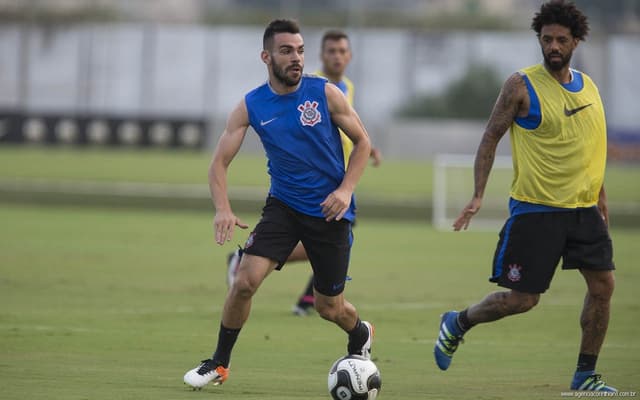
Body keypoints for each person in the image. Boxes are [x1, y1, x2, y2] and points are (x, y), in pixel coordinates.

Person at [433, 0, 617, 392]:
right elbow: (490, 137)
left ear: (576, 42)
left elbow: (590, 146)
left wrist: (600, 195)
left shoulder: (590, 88)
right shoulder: (521, 85)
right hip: (537, 212)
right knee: (522, 300)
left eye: (560, 40)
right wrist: (478, 194)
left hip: (583, 211)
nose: (553, 46)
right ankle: (458, 322)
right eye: (546, 39)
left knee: (603, 287)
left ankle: (585, 376)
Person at [184, 19, 374, 389]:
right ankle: (219, 364)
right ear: (266, 56)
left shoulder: (327, 93)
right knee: (243, 282)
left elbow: (363, 143)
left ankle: (361, 332)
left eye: (301, 50)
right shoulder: (251, 105)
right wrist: (222, 208)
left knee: (328, 308)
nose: (296, 58)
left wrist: (346, 190)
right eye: (287, 51)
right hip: (283, 207)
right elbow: (218, 163)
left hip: (330, 213)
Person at [226, 29, 383, 317]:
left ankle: (312, 301)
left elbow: (353, 133)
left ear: (350, 56)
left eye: (342, 51)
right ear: (322, 56)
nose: (337, 56)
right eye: (332, 51)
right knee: (316, 247)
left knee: (324, 260)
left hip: (338, 185)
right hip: (300, 193)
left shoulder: (343, 87)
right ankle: (297, 295)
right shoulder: (303, 85)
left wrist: (362, 159)